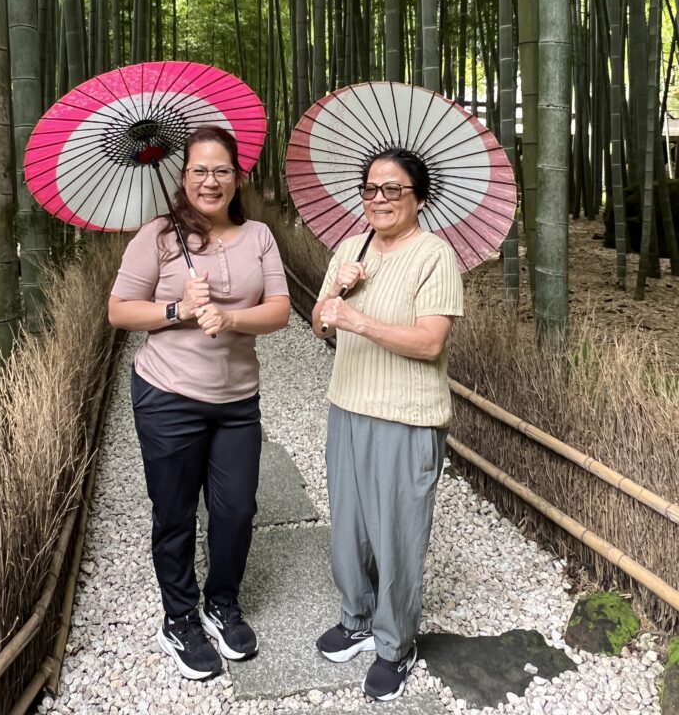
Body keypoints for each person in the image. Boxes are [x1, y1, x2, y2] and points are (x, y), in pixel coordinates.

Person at [109, 125, 290, 681]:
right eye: (199, 171)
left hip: (238, 399)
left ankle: (222, 603)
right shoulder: (159, 237)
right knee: (176, 511)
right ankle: (180, 617)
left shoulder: (258, 234)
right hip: (168, 396)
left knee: (237, 510)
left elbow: (280, 309)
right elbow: (119, 311)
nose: (211, 181)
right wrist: (177, 310)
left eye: (221, 171)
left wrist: (231, 317)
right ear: (182, 177)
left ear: (239, 178)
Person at [312, 148, 463, 702]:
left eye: (392, 189)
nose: (379, 199)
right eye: (370, 189)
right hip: (346, 404)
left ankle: (396, 644)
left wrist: (357, 318)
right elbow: (320, 325)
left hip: (406, 416)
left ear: (418, 197)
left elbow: (429, 343)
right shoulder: (349, 249)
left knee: (396, 534)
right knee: (349, 526)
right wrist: (335, 297)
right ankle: (355, 618)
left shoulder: (433, 256)